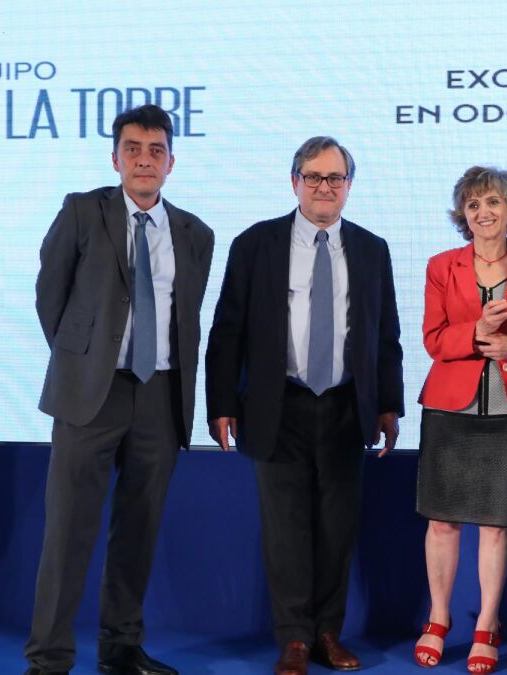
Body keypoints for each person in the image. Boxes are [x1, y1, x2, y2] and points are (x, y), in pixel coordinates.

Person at [27, 104, 214, 675]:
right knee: (68, 531)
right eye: (133, 149)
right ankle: (49, 659)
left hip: (160, 396)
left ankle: (121, 649)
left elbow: (186, 320)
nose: (144, 160)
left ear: (171, 162)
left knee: (139, 529)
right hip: (91, 395)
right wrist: (84, 362)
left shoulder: (196, 234)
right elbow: (50, 297)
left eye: (156, 150)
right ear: (115, 159)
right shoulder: (83, 212)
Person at [206, 136, 404, 675]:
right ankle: (293, 638)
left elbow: (385, 334)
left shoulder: (372, 249)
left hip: (346, 406)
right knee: (286, 529)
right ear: (294, 182)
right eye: (313, 177)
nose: (324, 187)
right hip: (277, 405)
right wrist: (221, 403)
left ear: (348, 186)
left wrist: (389, 403)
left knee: (337, 529)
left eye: (335, 178)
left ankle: (327, 633)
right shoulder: (255, 244)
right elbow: (227, 331)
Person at [412, 166, 507, 675]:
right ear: (462, 216)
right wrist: (477, 331)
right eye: (473, 205)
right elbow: (433, 339)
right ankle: (439, 617)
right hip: (450, 407)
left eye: (492, 202)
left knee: (495, 524)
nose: (483, 213)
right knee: (442, 521)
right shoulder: (441, 265)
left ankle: (487, 623)